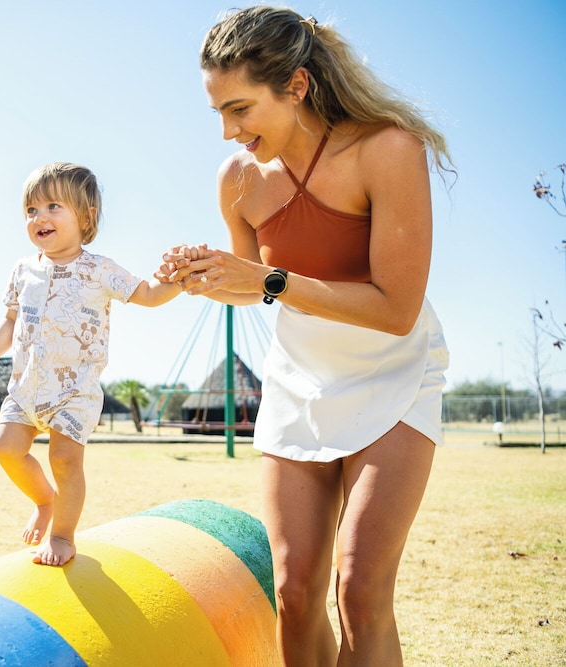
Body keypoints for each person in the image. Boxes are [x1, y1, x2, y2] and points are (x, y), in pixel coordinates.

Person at [158, 7, 452, 665]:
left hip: (396, 373)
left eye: (240, 109)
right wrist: (208, 276)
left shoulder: (389, 149)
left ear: (296, 85)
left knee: (361, 591)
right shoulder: (237, 180)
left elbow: (395, 308)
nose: (230, 132)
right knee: (293, 592)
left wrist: (265, 279)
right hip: (300, 381)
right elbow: (254, 285)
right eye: (219, 114)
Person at [0, 162, 181, 567]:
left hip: (74, 389)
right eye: (31, 210)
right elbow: (12, 320)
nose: (39, 218)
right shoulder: (23, 270)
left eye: (52, 206)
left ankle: (63, 535)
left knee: (64, 459)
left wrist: (179, 279)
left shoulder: (99, 270)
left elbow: (149, 294)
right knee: (5, 448)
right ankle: (44, 501)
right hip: (26, 387)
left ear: (86, 217)